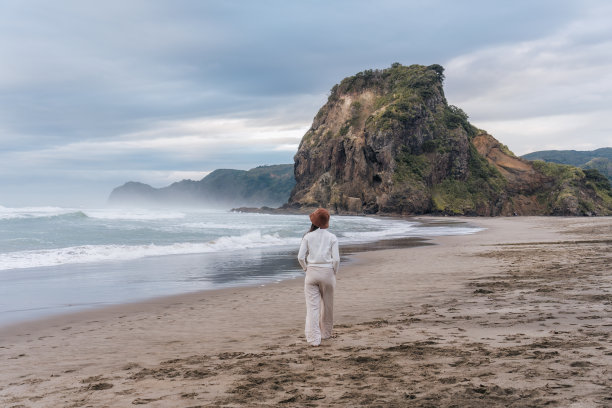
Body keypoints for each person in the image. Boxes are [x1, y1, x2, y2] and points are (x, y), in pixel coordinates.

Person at [297, 208, 340, 346]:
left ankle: (314, 339)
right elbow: (337, 260)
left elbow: (300, 257)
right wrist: (334, 272)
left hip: (312, 273)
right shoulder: (332, 237)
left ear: (314, 222)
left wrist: (305, 268)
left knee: (312, 307)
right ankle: (326, 334)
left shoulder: (307, 237)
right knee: (328, 306)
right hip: (328, 272)